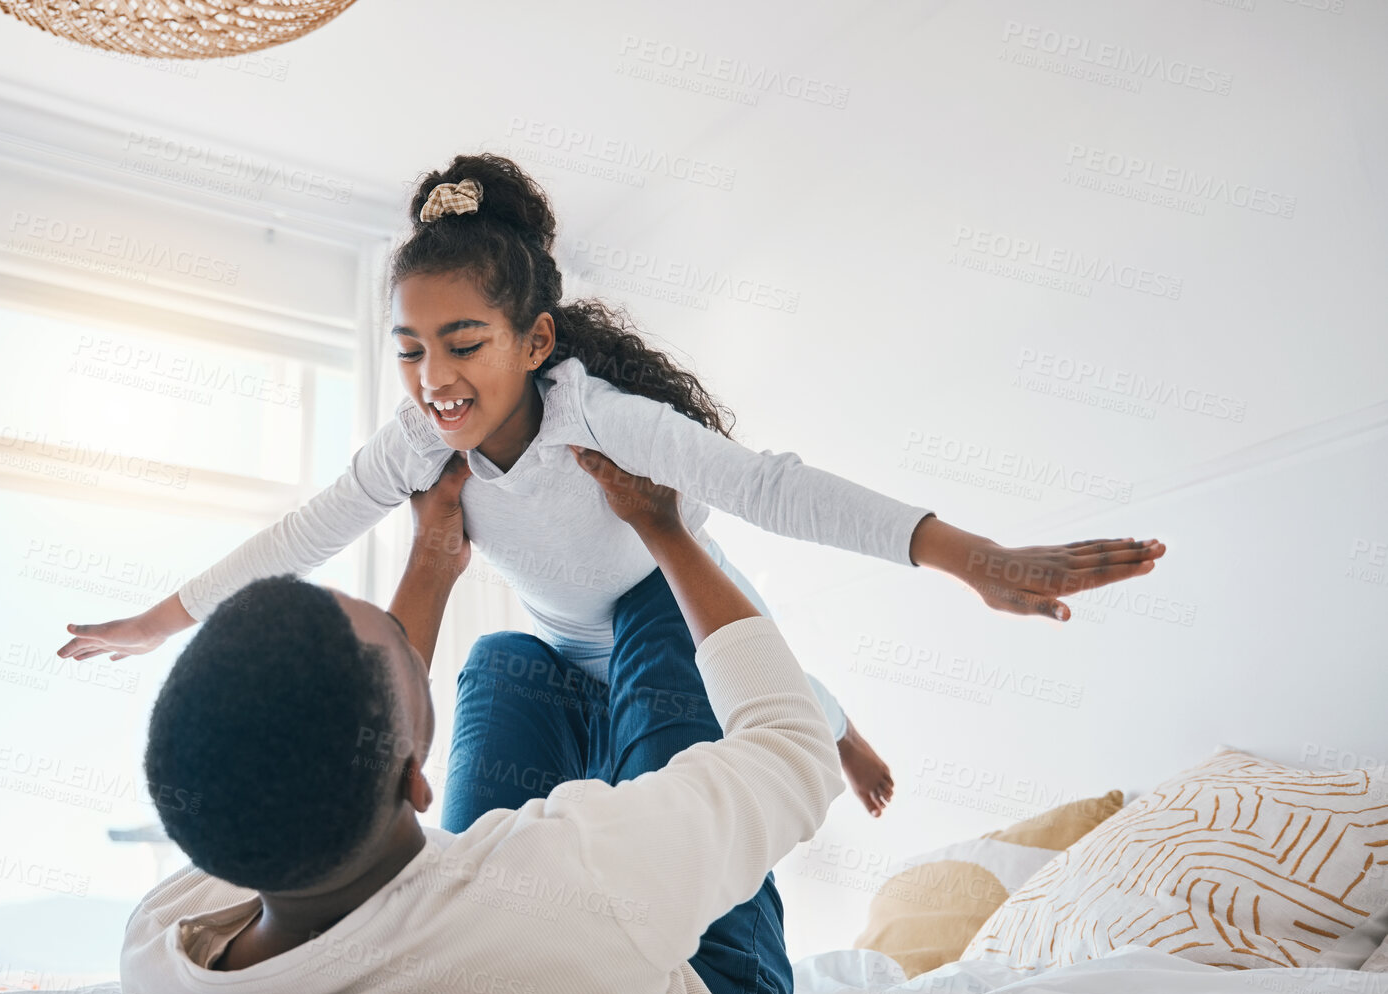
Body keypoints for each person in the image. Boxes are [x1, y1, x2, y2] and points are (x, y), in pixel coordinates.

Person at [58, 152, 1166, 824]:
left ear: (534, 339)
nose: (436, 379)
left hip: (663, 619)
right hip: (555, 650)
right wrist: (156, 622)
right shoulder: (416, 444)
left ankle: (830, 718)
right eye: (410, 349)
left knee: (672, 627)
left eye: (464, 342)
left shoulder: (602, 421)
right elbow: (299, 534)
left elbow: (770, 491)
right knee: (503, 683)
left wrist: (972, 557)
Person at [124, 447, 848, 994]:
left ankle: (608, 713)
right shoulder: (577, 880)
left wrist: (432, 565)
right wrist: (665, 530)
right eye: (404, 649)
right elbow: (791, 751)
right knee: (657, 608)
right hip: (707, 974)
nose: (413, 643)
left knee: (506, 660)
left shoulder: (166, 934)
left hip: (494, 928)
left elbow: (322, 747)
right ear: (413, 777)